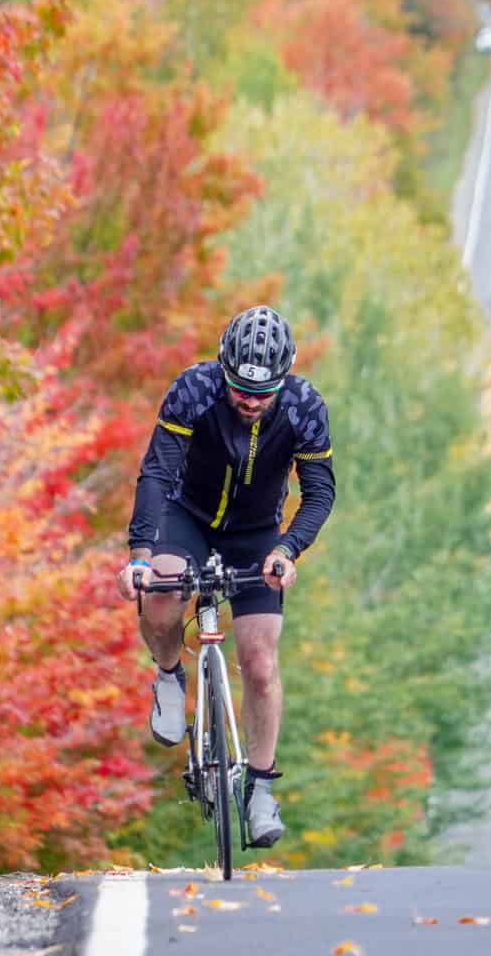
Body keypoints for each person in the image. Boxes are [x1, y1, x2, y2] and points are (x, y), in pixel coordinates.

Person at [117, 305, 335, 849]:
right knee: (163, 594)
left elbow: (320, 492)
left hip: (258, 532)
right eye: (239, 388)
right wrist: (140, 556)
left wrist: (289, 549)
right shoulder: (193, 389)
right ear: (223, 369)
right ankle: (169, 674)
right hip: (185, 516)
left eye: (263, 393)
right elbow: (157, 471)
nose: (250, 401)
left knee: (260, 662)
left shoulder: (306, 408)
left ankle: (260, 788)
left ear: (283, 381)